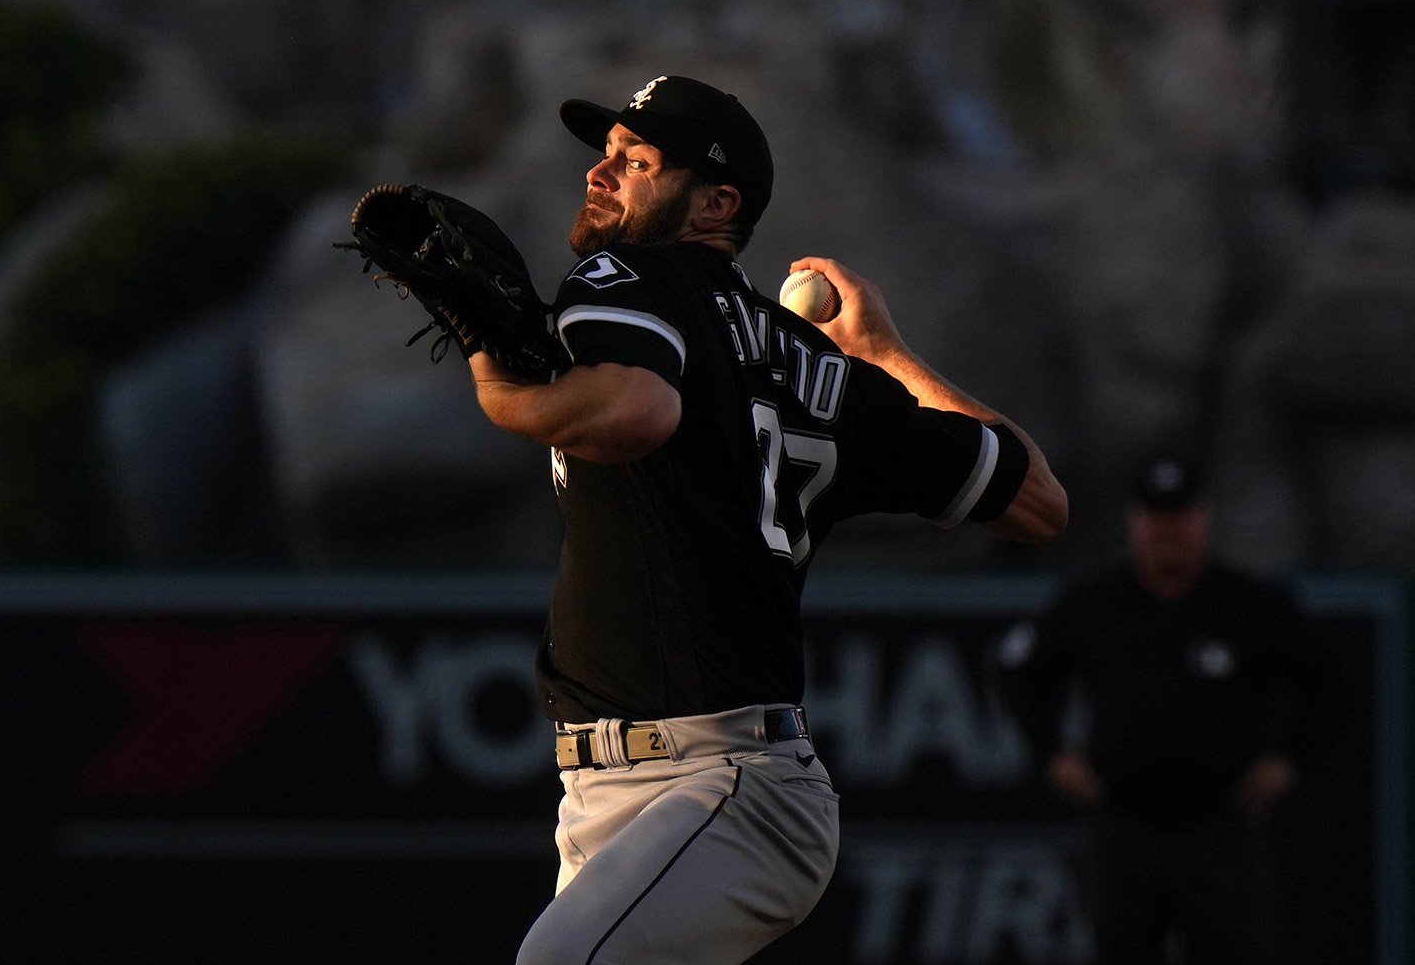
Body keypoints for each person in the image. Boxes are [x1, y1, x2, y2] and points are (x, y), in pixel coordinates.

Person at [465, 74, 1069, 965]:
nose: (602, 173)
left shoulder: (631, 274)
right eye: (606, 154)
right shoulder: (824, 375)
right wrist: (887, 358)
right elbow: (1038, 502)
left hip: (718, 784)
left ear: (716, 203)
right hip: (646, 799)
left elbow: (636, 411)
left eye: (637, 160)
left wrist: (495, 381)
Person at [997, 452, 1329, 965]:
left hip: (1220, 828)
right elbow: (1020, 671)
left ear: (1204, 521)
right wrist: (1051, 754)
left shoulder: (1249, 604)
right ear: (1135, 523)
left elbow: (1325, 680)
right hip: (1124, 827)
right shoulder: (1095, 603)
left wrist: (1290, 757)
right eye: (1155, 518)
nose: (1167, 531)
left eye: (1179, 518)